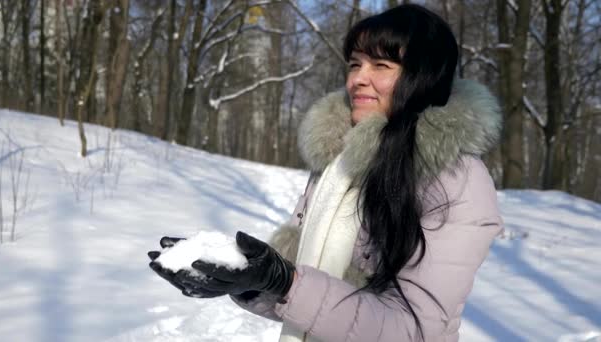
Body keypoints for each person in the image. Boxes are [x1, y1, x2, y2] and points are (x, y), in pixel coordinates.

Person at [148, 4, 504, 342]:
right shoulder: (338, 164)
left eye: (381, 65)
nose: (358, 80)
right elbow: (305, 300)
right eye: (354, 64)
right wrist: (247, 280)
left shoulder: (456, 180)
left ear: (424, 77)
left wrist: (286, 281)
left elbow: (412, 330)